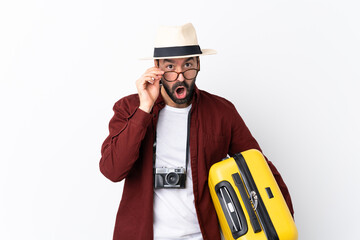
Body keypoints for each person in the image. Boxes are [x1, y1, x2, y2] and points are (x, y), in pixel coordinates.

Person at [99, 23, 294, 240]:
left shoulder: (221, 112)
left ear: (199, 64)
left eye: (188, 65)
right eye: (170, 67)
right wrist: (144, 108)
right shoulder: (129, 108)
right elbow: (112, 170)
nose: (180, 77)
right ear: (156, 67)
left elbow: (260, 168)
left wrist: (283, 223)